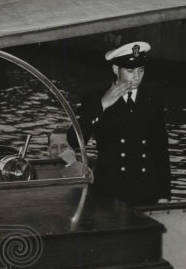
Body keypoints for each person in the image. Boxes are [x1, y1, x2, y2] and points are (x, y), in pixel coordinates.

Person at [68, 41, 171, 207]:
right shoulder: (95, 98)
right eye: (130, 71)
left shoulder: (152, 100)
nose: (136, 77)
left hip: (146, 193)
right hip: (110, 193)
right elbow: (74, 140)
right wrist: (102, 105)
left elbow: (161, 151)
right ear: (116, 69)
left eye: (141, 70)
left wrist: (164, 195)